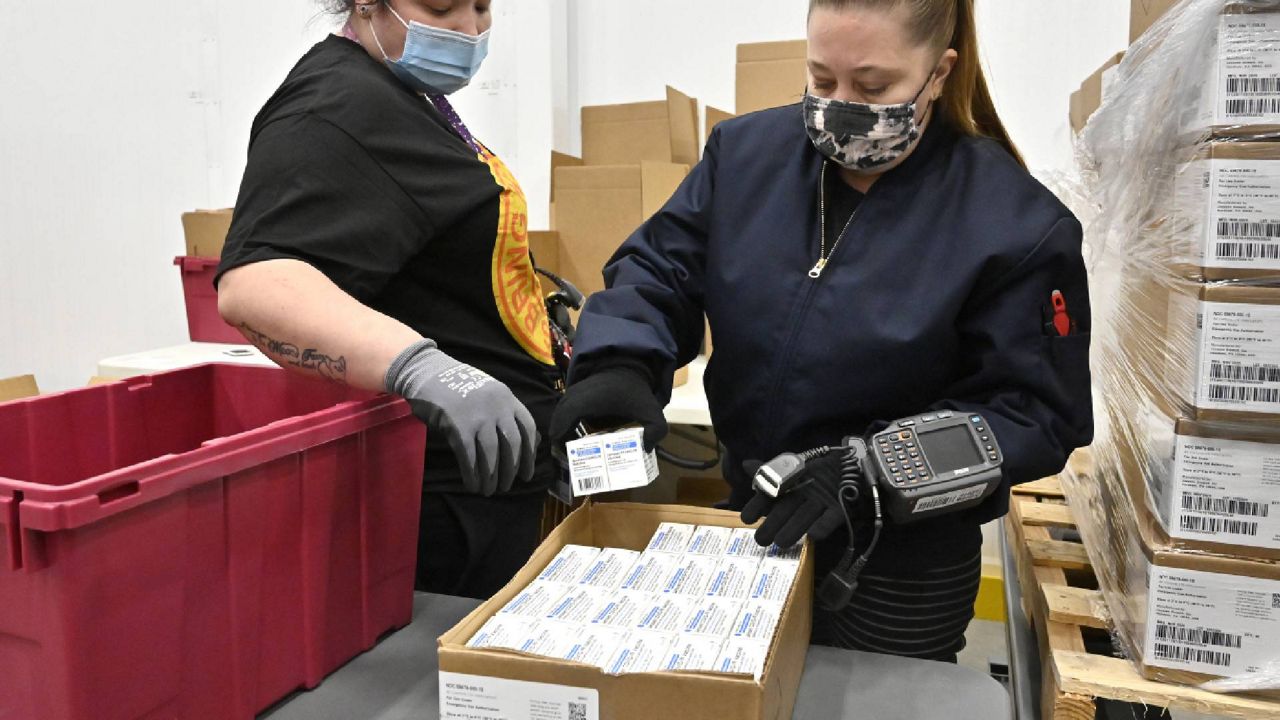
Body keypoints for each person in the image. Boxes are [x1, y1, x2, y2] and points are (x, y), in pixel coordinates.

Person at [551, 0, 1093, 662]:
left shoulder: (1014, 224)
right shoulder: (744, 159)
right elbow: (659, 270)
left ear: (939, 72)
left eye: (873, 87)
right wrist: (619, 364)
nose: (840, 106)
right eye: (821, 79)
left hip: (899, 572)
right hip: (754, 527)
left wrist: (871, 470)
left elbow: (1035, 413)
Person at [216, 0, 561, 599]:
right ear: (367, 3)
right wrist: (423, 368)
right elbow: (255, 284)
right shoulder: (333, 105)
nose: (470, 30)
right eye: (443, 7)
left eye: (483, 8)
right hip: (441, 501)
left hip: (491, 481)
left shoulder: (405, 95)